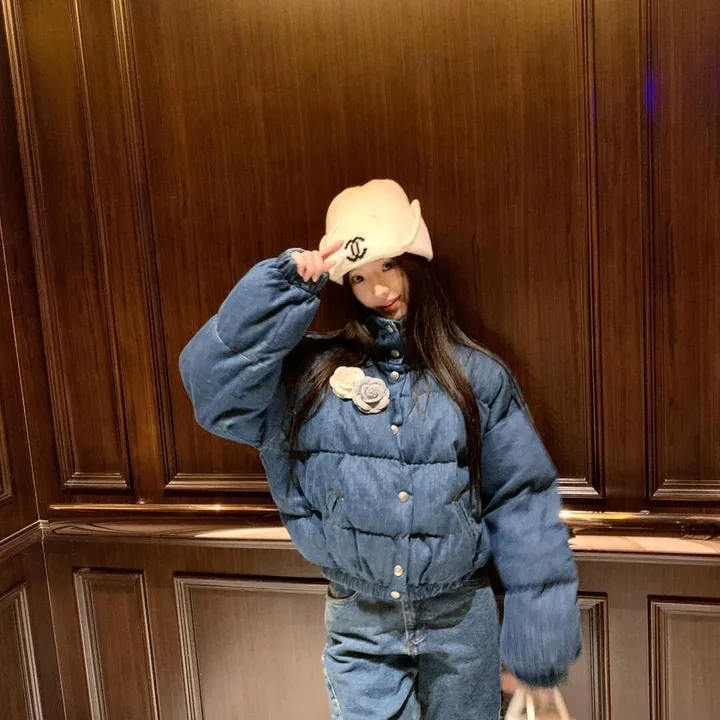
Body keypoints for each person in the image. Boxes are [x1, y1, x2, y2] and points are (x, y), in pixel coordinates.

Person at [179, 179, 581, 720]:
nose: (377, 290)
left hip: (462, 621)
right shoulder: (310, 378)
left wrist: (539, 646)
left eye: (388, 266)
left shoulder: (477, 377)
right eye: (359, 277)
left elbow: (522, 501)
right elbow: (214, 394)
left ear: (414, 260)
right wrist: (283, 288)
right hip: (360, 622)